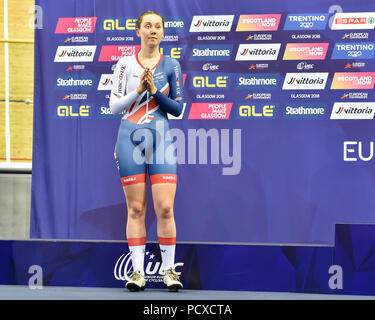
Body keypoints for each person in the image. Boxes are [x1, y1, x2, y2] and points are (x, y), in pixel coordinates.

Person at [109, 11, 184, 292]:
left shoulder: (171, 64)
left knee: (165, 208)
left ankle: (169, 272)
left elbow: (177, 109)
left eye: (158, 27)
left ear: (163, 32)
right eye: (148, 26)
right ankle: (138, 273)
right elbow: (114, 107)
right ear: (138, 31)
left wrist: (155, 91)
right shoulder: (125, 64)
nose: (153, 31)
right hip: (129, 140)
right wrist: (139, 89)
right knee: (136, 208)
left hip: (161, 140)